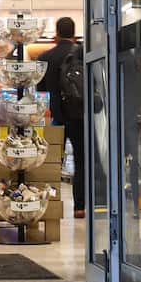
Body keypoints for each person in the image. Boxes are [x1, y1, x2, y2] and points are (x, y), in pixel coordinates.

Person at [37, 16, 85, 218]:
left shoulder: (46, 57)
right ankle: (80, 207)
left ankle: (48, 206)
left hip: (56, 117)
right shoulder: (82, 53)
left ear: (56, 33)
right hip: (79, 115)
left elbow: (40, 89)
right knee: (81, 161)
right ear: (74, 34)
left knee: (51, 162)